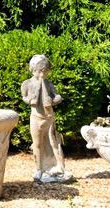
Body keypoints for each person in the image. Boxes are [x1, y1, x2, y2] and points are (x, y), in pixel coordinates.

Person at [21, 53, 72, 184]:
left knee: (53, 142)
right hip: (36, 117)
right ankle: (39, 169)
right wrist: (30, 100)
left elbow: (57, 96)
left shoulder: (48, 84)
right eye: (42, 71)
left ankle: (59, 167)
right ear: (36, 70)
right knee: (37, 144)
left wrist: (53, 100)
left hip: (48, 117)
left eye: (46, 71)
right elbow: (24, 97)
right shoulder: (27, 83)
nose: (45, 74)